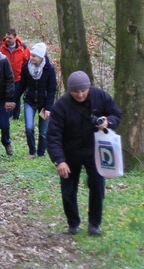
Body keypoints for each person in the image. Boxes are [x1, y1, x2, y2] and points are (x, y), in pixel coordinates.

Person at [47, 71, 122, 236]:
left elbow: (116, 114)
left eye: (83, 91)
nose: (80, 95)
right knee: (68, 189)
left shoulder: (100, 96)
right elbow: (53, 135)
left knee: (97, 186)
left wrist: (108, 122)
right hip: (70, 153)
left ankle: (94, 225)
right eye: (76, 92)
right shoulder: (61, 105)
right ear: (69, 90)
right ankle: (73, 224)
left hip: (95, 150)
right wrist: (59, 161)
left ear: (89, 87)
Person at [16, 42, 57, 157]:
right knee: (29, 127)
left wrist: (49, 107)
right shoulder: (26, 67)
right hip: (29, 101)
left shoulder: (49, 69)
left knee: (43, 132)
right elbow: (22, 85)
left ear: (40, 57)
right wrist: (13, 99)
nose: (31, 57)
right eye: (31, 55)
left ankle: (41, 153)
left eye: (34, 56)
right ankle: (32, 151)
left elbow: (52, 90)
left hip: (44, 104)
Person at [0, 29, 31, 120]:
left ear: (15, 38)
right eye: (6, 37)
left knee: (16, 96)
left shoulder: (23, 48)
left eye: (10, 38)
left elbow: (27, 62)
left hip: (18, 77)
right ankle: (7, 114)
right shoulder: (0, 48)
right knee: (7, 95)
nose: (7, 39)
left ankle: (16, 115)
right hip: (4, 78)